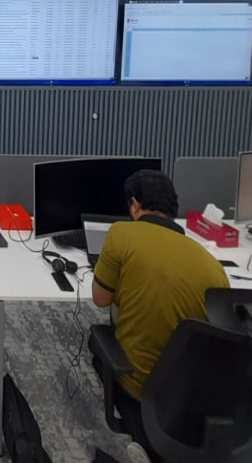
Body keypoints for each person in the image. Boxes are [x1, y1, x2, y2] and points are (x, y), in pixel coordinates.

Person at [91, 170, 229, 463]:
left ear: (134, 205)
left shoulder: (121, 233)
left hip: (140, 388)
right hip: (191, 396)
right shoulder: (212, 266)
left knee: (97, 344)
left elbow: (101, 299)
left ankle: (140, 435)